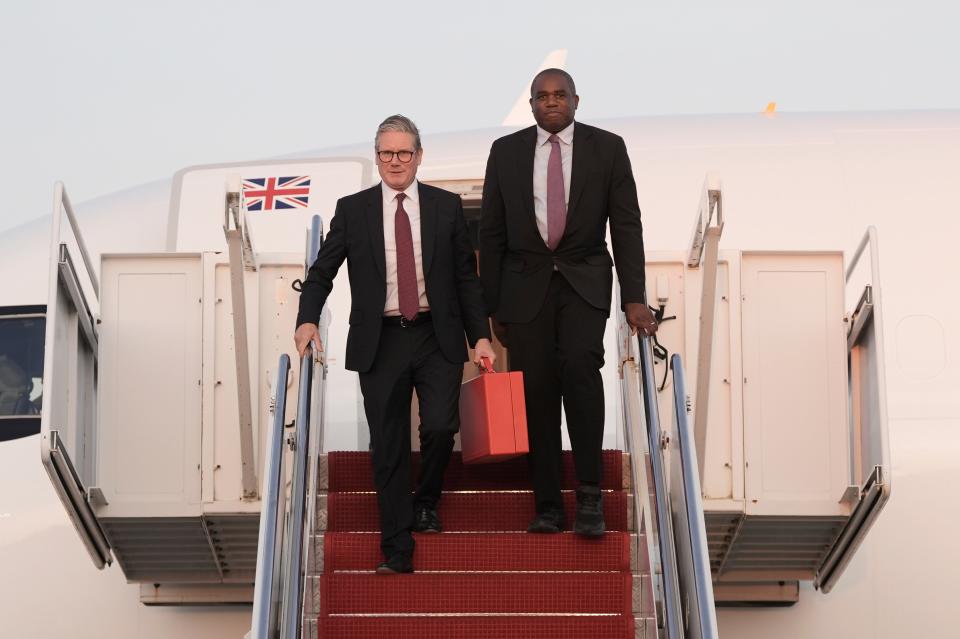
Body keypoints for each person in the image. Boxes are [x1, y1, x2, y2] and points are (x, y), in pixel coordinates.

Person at [294, 114, 496, 574]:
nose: (395, 161)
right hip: (380, 340)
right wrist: (308, 320)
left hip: (435, 333)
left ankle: (426, 499)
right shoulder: (354, 209)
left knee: (443, 427)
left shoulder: (446, 208)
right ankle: (397, 548)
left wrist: (480, 336)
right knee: (387, 445)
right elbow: (322, 271)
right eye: (387, 153)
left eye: (404, 152)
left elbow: (467, 279)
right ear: (377, 156)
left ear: (419, 156)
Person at [478, 69, 657, 537]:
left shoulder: (607, 148)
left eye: (560, 95)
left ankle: (591, 497)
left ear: (576, 100)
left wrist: (633, 298)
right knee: (536, 391)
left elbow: (626, 225)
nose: (551, 102)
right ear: (532, 104)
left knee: (579, 371)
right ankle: (548, 504)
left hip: (584, 282)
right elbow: (491, 232)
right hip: (524, 288)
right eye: (542, 96)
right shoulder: (506, 152)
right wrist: (491, 306)